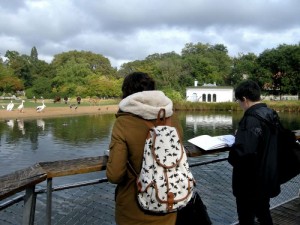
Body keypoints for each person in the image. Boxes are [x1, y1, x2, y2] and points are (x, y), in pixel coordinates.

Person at [106, 72, 182, 225]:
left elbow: (115, 175)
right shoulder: (172, 119)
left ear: (126, 94)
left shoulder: (124, 122)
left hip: (134, 207)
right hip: (169, 200)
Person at [228, 80, 281, 225]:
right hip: (267, 176)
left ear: (244, 99)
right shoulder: (270, 113)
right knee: (264, 213)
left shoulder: (251, 119)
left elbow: (242, 153)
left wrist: (236, 142)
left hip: (250, 182)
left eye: (238, 101)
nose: (239, 104)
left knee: (246, 218)